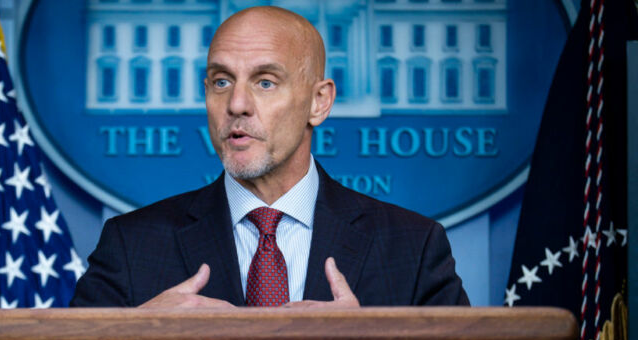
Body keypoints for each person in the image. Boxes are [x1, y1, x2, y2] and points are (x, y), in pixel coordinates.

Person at [71, 6, 468, 308]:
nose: (237, 104)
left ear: (319, 102)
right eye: (221, 81)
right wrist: (140, 338)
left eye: (265, 82)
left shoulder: (413, 247)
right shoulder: (130, 245)